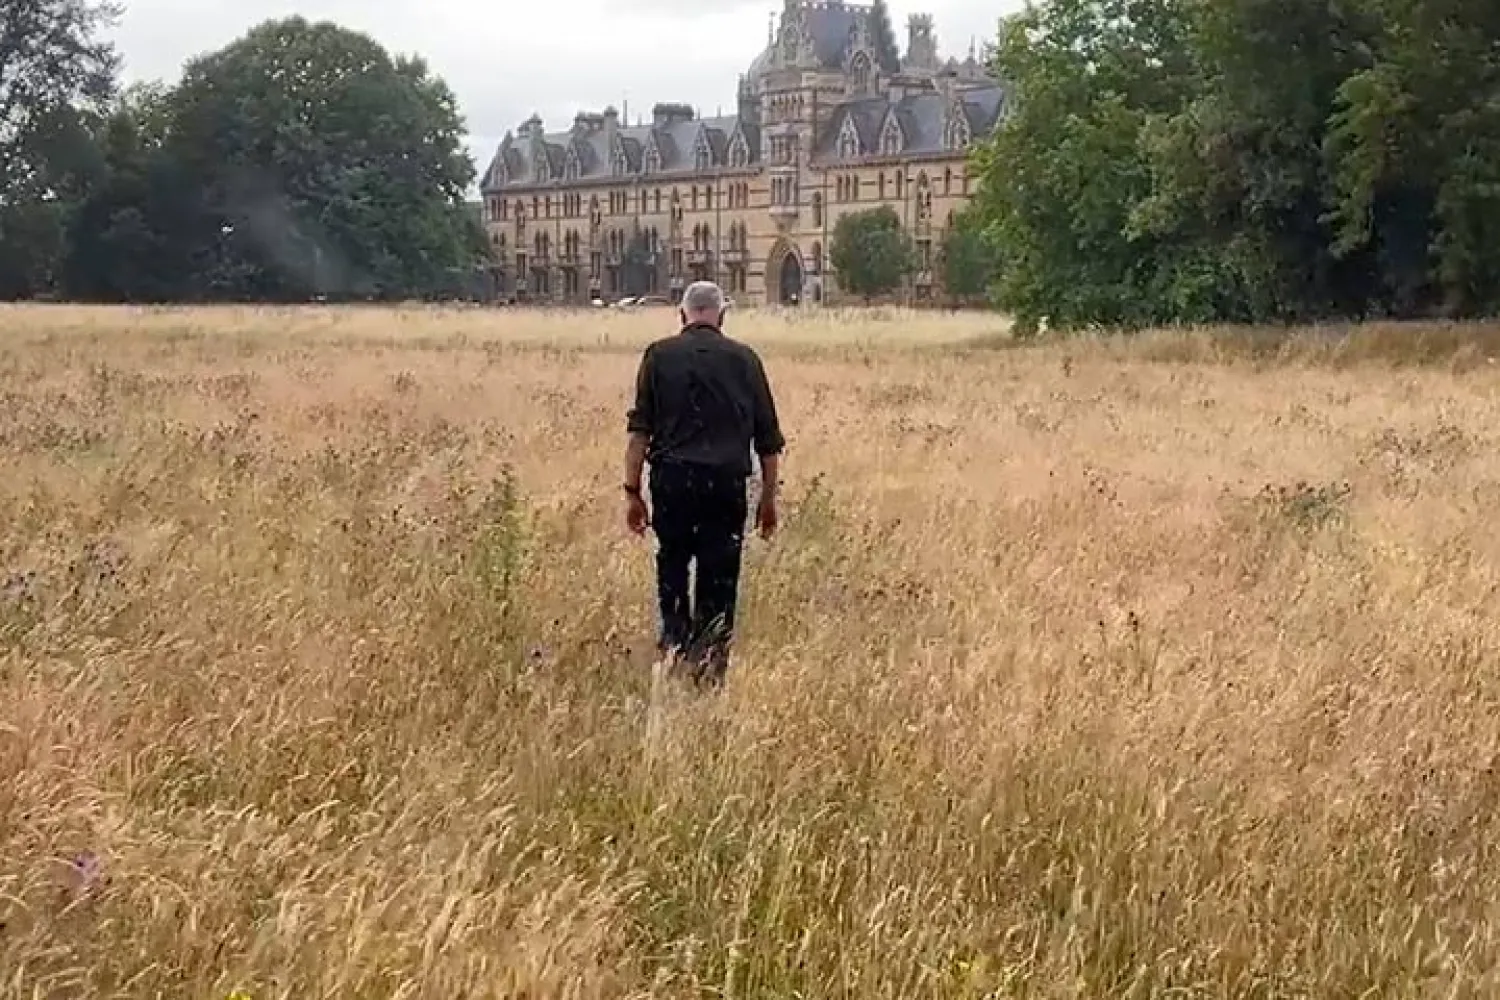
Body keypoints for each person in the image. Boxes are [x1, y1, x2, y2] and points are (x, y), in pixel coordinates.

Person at [622, 280, 785, 688]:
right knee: (720, 578)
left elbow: (639, 432)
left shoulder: (658, 356)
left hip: (672, 484)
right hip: (724, 487)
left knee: (672, 569)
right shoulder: (746, 360)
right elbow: (768, 442)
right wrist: (767, 500)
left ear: (682, 315)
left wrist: (632, 493)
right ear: (722, 316)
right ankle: (710, 671)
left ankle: (675, 652)